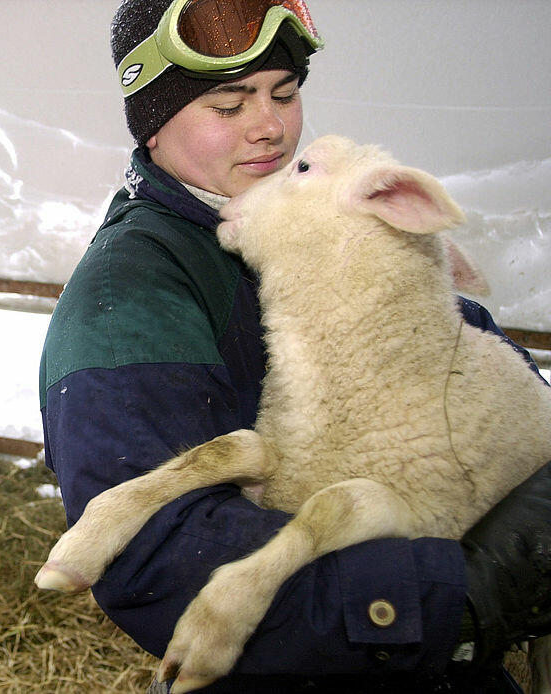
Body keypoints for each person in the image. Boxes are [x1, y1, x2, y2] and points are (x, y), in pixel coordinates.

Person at [38, 1, 551, 692]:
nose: (270, 126)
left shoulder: (318, 218)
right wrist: (456, 598)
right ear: (154, 126)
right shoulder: (130, 291)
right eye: (228, 105)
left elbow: (453, 353)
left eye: (285, 93)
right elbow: (161, 558)